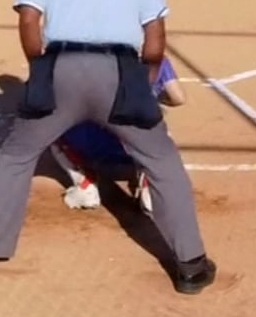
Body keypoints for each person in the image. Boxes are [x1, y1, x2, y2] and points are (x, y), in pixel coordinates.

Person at [0, 0, 216, 294]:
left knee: (16, 157)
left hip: (62, 65)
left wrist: (40, 69)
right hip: (121, 70)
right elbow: (154, 37)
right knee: (162, 160)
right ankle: (191, 265)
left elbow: (29, 20)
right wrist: (144, 84)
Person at [52, 57, 186, 213]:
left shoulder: (96, 58)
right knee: (158, 130)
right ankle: (149, 184)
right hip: (137, 148)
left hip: (95, 147)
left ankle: (85, 185)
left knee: (55, 128)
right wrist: (155, 100)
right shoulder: (157, 59)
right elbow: (178, 98)